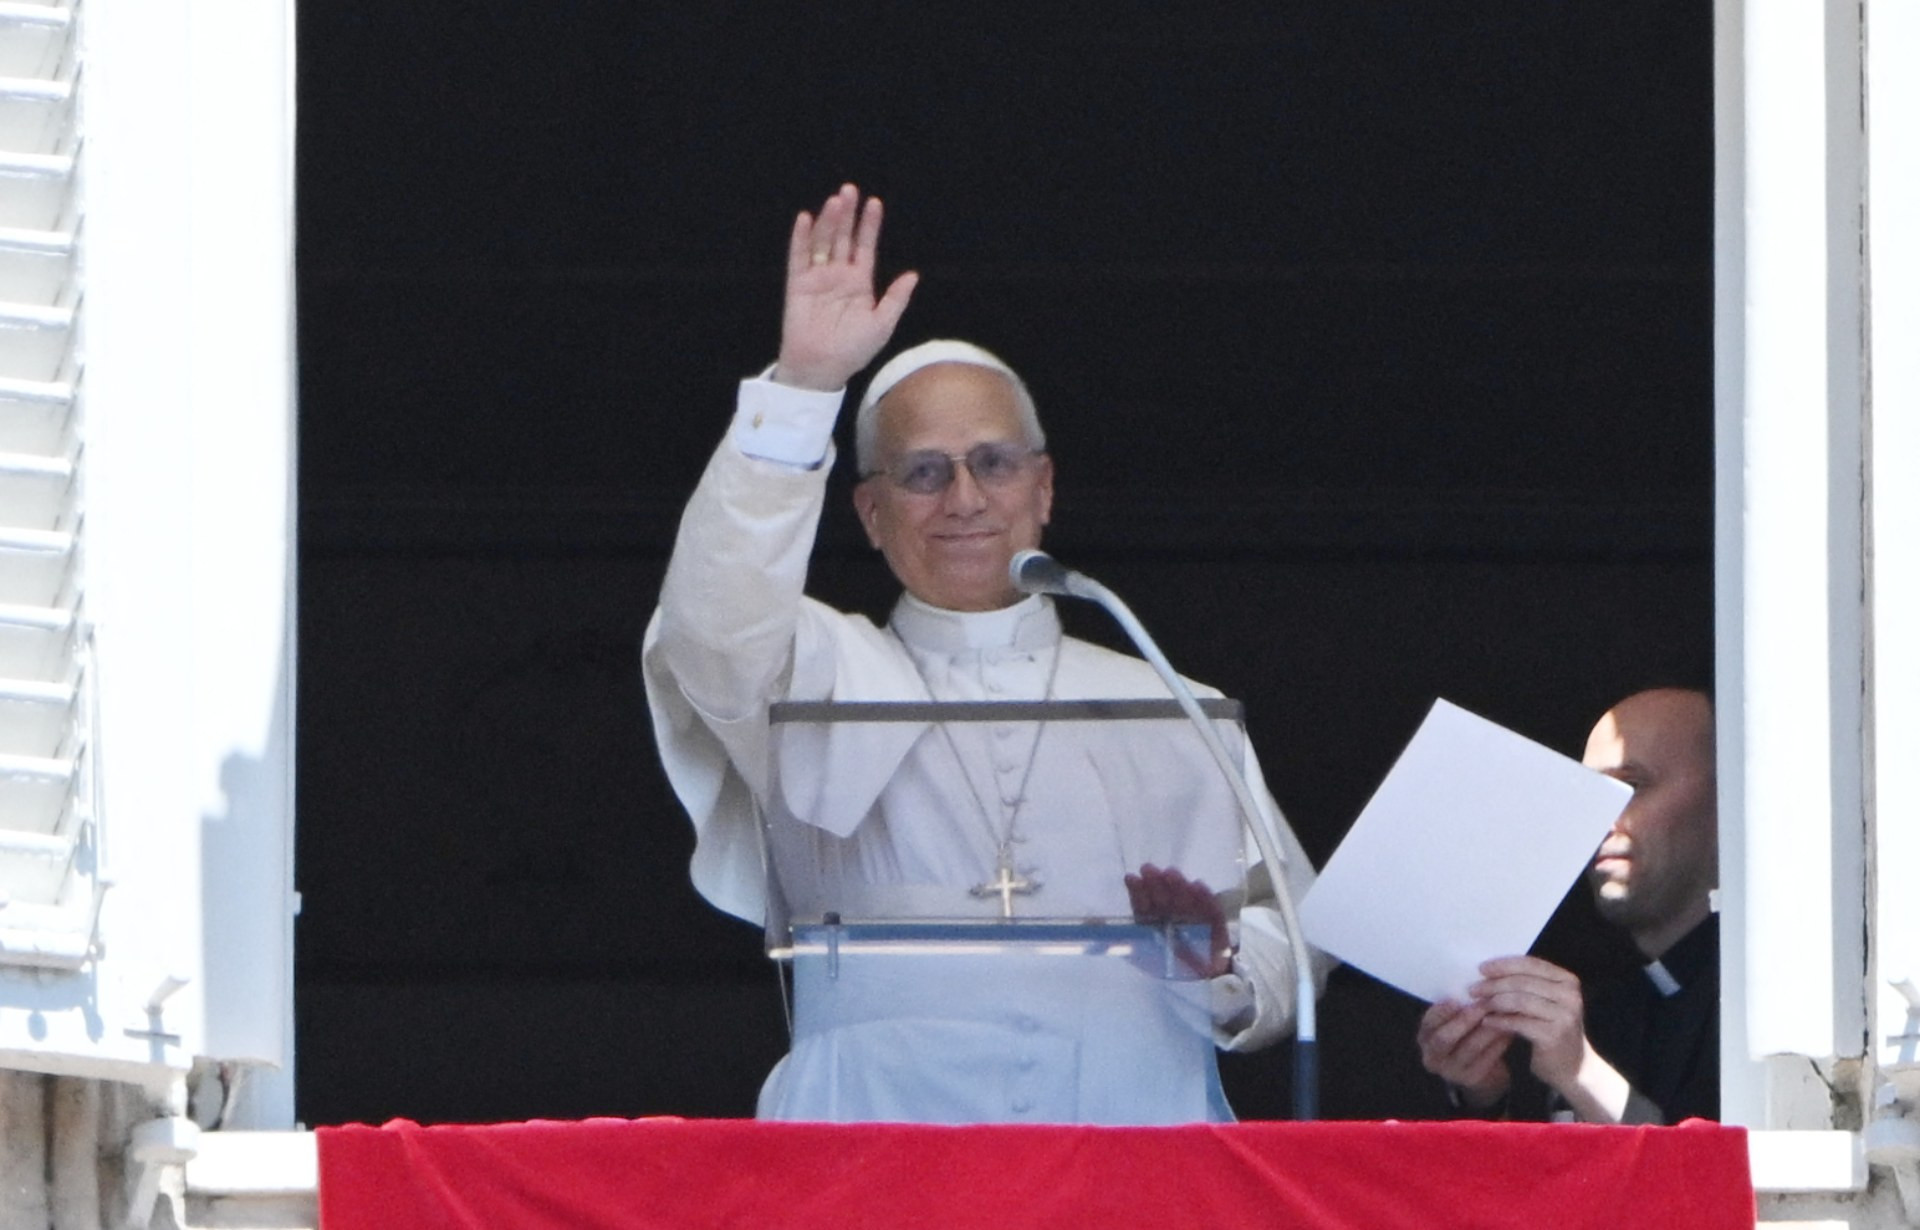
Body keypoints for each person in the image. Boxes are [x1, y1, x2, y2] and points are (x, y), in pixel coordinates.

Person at [642, 184, 1324, 1124]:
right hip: (873, 1131)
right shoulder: (816, 674)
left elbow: (1293, 927)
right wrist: (801, 390)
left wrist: (1224, 965)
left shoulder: (1168, 696)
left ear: (1043, 489)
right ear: (871, 514)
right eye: (923, 472)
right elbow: (711, 627)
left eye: (993, 463)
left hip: (1127, 1126)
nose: (963, 498)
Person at [1415, 687, 1718, 1123]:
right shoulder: (1610, 1007)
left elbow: (1719, 1184)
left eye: (1632, 785)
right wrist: (1484, 1094)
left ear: (1726, 800)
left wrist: (1583, 1075)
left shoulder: (1781, 997)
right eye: (1591, 797)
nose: (1599, 820)